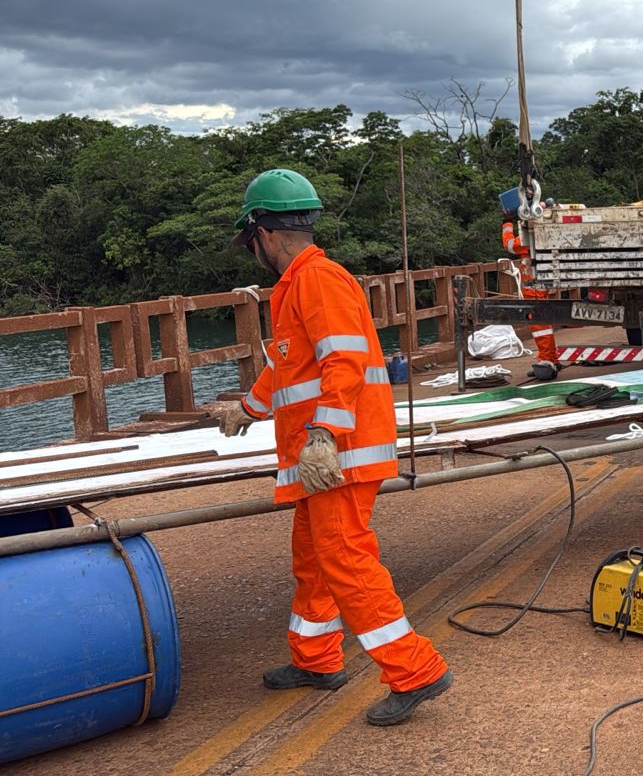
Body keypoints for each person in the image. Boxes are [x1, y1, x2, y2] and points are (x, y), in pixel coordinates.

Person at [203, 168, 452, 727]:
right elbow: (286, 368)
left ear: (263, 232)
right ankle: (316, 660)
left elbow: (344, 363)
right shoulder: (295, 286)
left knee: (346, 561)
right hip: (321, 457)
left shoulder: (319, 280)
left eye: (251, 243)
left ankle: (416, 671)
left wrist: (322, 436)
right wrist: (244, 411)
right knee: (313, 559)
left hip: (336, 456)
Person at [500, 187, 560, 380]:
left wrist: (506, 222)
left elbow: (510, 245)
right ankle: (550, 358)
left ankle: (547, 360)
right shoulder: (547, 229)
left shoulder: (531, 235)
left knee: (540, 325)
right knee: (543, 325)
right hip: (540, 282)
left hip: (534, 286)